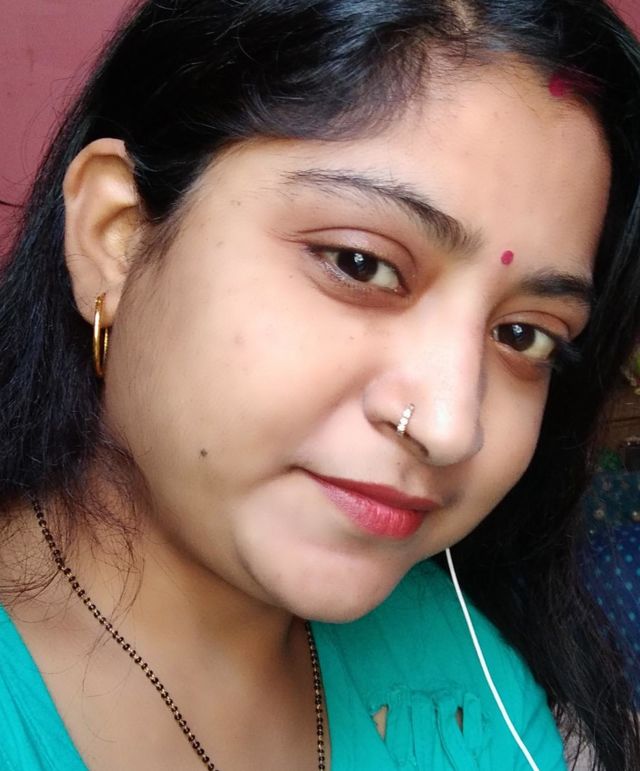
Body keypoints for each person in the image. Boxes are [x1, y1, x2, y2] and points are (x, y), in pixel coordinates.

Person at [0, 0, 639, 769]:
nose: (448, 426)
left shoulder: (473, 688)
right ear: (117, 239)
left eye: (523, 335)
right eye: (360, 264)